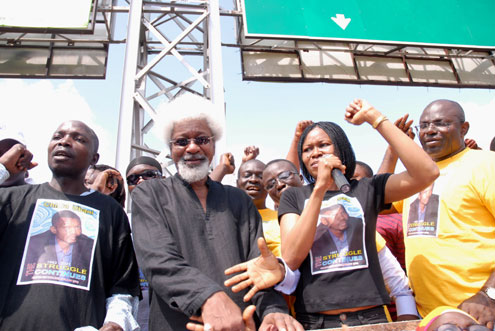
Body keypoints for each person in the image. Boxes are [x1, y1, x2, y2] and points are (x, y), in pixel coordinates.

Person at [131, 94, 302, 331]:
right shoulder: (149, 194)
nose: (192, 147)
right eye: (182, 141)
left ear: (213, 145)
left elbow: (257, 267)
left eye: (201, 139)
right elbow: (158, 260)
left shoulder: (238, 199)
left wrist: (273, 311)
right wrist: (208, 297)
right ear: (170, 149)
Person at [277, 99, 438, 329]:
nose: (315, 153)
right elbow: (291, 257)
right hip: (316, 321)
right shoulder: (293, 197)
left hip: (370, 317)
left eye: (323, 145)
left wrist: (375, 118)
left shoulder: (367, 188)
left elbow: (427, 172)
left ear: (340, 149)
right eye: (307, 149)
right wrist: (319, 189)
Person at [0, 120, 141, 330]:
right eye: (57, 137)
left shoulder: (111, 212)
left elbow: (123, 288)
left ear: (95, 158)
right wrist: (2, 167)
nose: (64, 142)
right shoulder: (11, 200)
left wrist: (115, 324)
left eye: (78, 139)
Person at [390, 99, 495, 326]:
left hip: (482, 313)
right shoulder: (417, 175)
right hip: (429, 317)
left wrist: (489, 296)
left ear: (464, 128)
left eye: (440, 124)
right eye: (424, 125)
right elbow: (379, 202)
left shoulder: (486, 165)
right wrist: (394, 146)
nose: (430, 131)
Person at [125, 155, 164, 331]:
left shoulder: (181, 220)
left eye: (149, 174)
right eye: (133, 178)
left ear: (163, 179)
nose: (141, 180)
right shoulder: (121, 224)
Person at [21, 210, 95, 287]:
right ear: (54, 229)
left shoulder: (89, 245)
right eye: (67, 228)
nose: (74, 232)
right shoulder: (34, 244)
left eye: (77, 227)